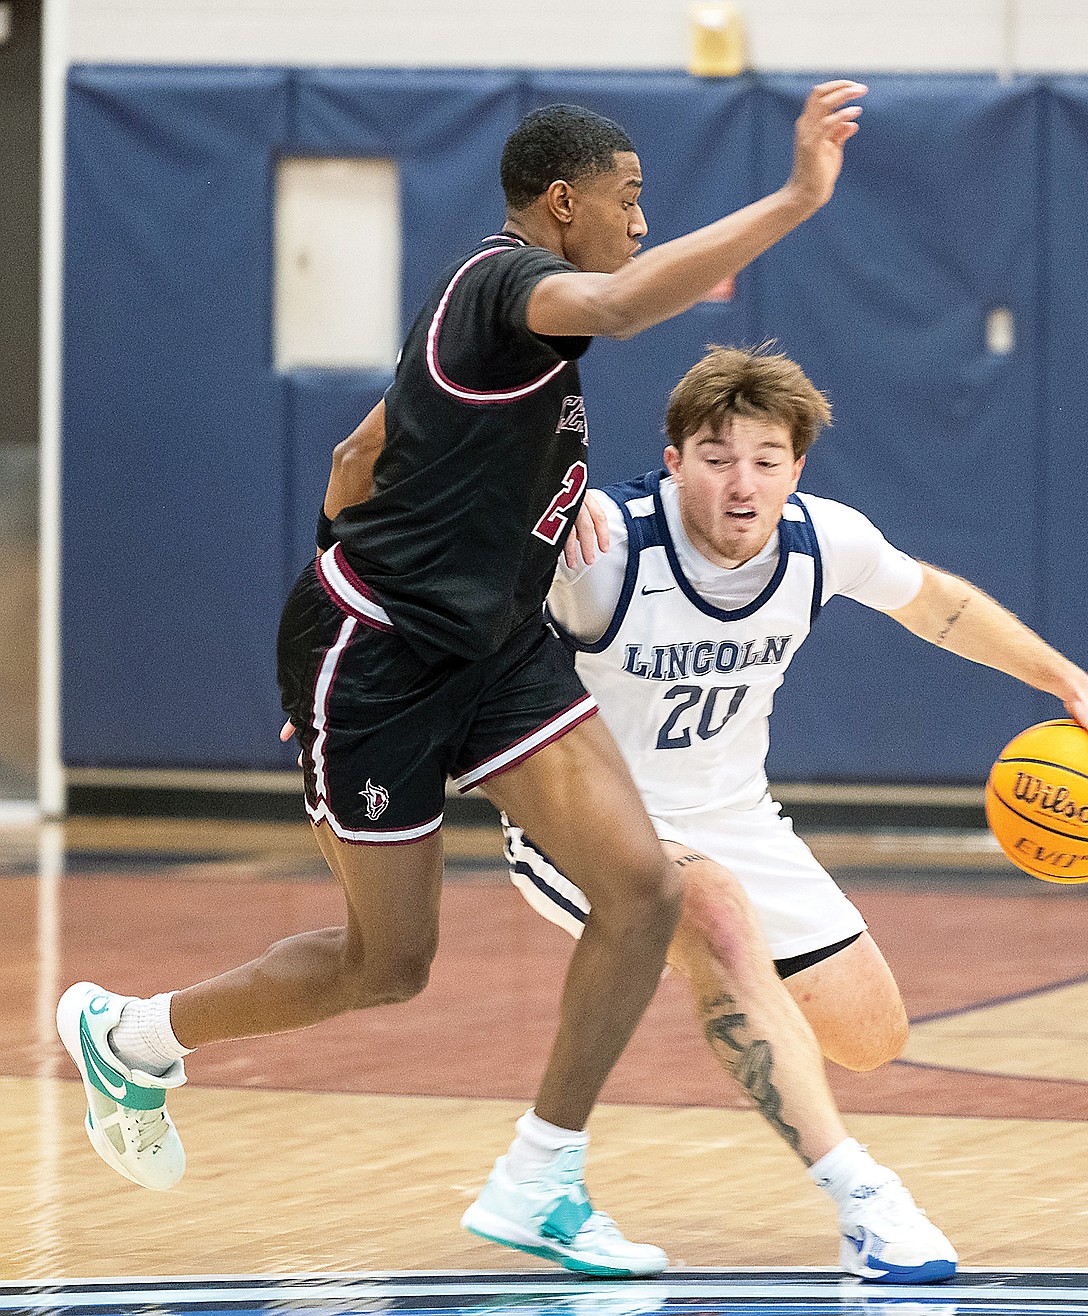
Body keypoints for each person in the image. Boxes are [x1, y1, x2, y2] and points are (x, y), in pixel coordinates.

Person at [56, 84, 872, 1278]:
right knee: (388, 964)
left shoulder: (498, 336)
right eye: (629, 200)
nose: (639, 224)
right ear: (562, 203)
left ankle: (541, 1175)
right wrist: (798, 197)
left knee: (643, 888)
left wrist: (454, 531)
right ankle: (130, 1035)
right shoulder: (502, 285)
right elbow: (626, 299)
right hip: (380, 659)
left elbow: (354, 456)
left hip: (492, 650)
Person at [502, 344, 1088, 1283]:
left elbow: (940, 607)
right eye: (718, 457)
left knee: (868, 1035)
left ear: (796, 471)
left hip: (732, 813)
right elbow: (456, 577)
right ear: (675, 457)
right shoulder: (603, 546)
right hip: (584, 817)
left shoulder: (824, 541)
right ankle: (861, 1196)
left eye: (767, 461)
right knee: (713, 916)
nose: (743, 483)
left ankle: (726, 995)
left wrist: (1071, 686)